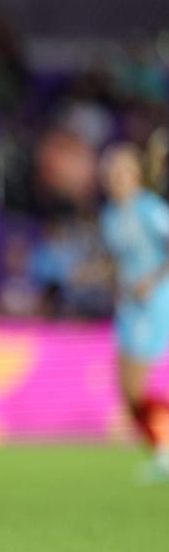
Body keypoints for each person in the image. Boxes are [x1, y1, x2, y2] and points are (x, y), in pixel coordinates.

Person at [99, 142, 169, 483]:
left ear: (136, 175)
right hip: (127, 307)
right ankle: (162, 453)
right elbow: (119, 259)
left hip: (154, 301)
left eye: (122, 171)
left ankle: (164, 450)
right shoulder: (110, 216)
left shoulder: (149, 208)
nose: (116, 178)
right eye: (110, 173)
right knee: (127, 393)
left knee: (138, 388)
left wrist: (152, 280)